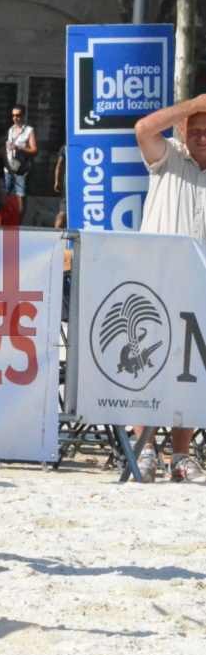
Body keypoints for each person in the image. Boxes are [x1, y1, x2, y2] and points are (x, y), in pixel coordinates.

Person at [127, 94, 206, 483]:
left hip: (200, 286)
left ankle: (181, 455)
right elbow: (142, 128)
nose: (202, 137)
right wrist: (194, 103)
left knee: (190, 373)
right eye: (196, 130)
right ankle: (144, 450)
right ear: (183, 131)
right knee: (149, 365)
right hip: (156, 283)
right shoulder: (169, 156)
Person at [2, 103, 38, 226]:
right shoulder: (11, 129)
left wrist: (19, 148)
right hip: (9, 167)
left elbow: (34, 150)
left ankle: (18, 223)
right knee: (7, 195)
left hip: (21, 168)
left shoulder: (29, 130)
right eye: (13, 115)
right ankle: (8, 221)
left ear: (23, 115)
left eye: (18, 115)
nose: (15, 118)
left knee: (20, 196)